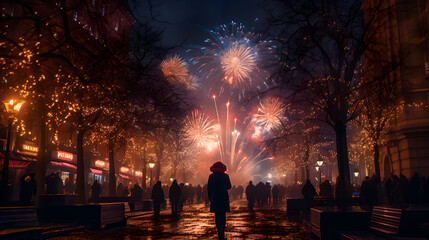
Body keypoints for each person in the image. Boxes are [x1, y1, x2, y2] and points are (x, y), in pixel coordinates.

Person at [208, 161, 231, 240]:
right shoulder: (225, 176)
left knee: (217, 215)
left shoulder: (211, 176)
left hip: (215, 198)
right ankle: (222, 231)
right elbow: (229, 186)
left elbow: (209, 189)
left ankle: (219, 231)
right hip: (223, 197)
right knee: (223, 215)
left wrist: (210, 198)